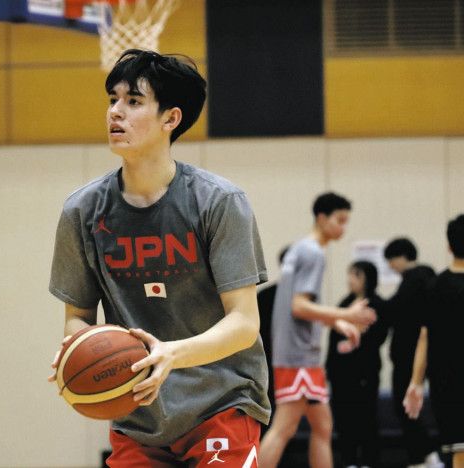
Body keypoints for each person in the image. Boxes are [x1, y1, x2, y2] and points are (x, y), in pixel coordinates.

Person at [48, 49, 269, 466]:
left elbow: (244, 323)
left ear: (171, 118)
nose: (116, 112)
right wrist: (76, 349)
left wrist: (171, 354)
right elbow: (77, 316)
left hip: (220, 404)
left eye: (133, 101)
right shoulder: (82, 210)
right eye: (112, 99)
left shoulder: (218, 202)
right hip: (136, 416)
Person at [259, 192, 376, 468]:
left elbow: (299, 307)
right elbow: (299, 307)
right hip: (298, 358)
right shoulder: (313, 253)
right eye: (340, 220)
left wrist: (336, 322)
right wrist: (347, 314)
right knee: (283, 429)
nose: (343, 228)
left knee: (322, 426)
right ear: (322, 218)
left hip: (297, 355)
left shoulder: (299, 249)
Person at [404, 214, 464, 468]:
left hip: (445, 382)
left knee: (459, 450)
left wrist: (416, 382)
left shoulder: (434, 286)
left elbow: (424, 336)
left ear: (449, 246)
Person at [383, 237, 443, 468]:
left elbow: (394, 310)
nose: (390, 266)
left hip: (409, 354)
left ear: (401, 257)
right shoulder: (427, 278)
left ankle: (423, 455)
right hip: (424, 352)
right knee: (413, 406)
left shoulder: (414, 281)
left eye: (391, 260)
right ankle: (425, 456)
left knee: (405, 406)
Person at [326, 261, 388, 468]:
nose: (350, 280)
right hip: (341, 373)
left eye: (356, 275)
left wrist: (358, 334)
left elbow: (379, 336)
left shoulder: (377, 304)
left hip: (365, 372)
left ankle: (370, 461)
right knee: (344, 419)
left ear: (368, 278)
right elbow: (333, 339)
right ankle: (349, 461)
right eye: (350, 274)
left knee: (367, 417)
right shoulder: (345, 304)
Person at [257, 245, 290, 423]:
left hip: (297, 364)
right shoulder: (265, 296)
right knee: (278, 418)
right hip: (272, 363)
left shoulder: (305, 297)